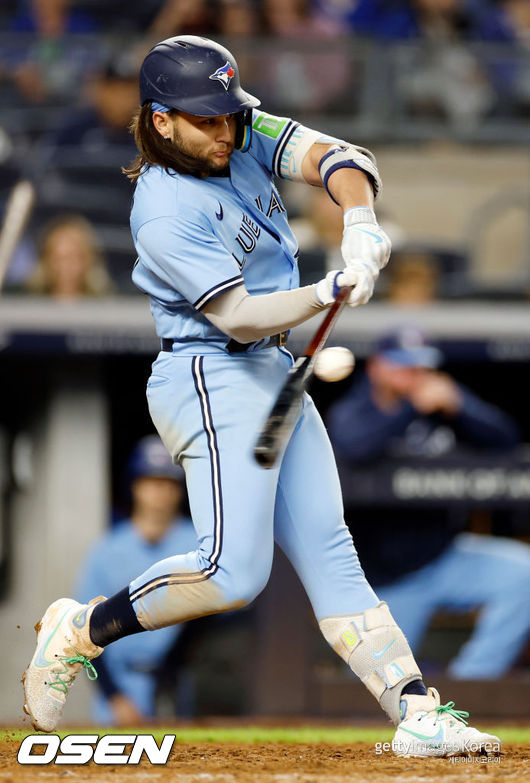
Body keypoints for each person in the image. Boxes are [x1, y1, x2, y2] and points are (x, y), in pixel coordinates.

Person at [23, 35, 499, 758]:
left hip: (270, 366)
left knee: (330, 546)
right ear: (160, 121)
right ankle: (84, 628)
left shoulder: (236, 129)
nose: (224, 131)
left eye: (227, 115)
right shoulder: (162, 209)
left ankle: (414, 709)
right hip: (209, 371)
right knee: (232, 572)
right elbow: (238, 314)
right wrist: (326, 290)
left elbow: (341, 159)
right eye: (205, 119)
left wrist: (361, 222)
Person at [327, 326, 530, 679]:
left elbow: (505, 439)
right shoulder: (355, 408)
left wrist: (460, 408)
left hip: (442, 557)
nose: (414, 374)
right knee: (369, 695)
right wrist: (408, 409)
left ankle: (472, 685)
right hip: (384, 583)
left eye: (419, 366)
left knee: (522, 574)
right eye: (403, 365)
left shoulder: (440, 403)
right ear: (376, 367)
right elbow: (354, 447)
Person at [75, 435, 198, 725]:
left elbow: (214, 618)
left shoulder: (197, 542)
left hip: (175, 680)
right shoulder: (107, 550)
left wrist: (174, 668)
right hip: (119, 685)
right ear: (136, 486)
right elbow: (82, 630)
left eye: (169, 482)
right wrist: (114, 696)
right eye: (152, 481)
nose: (161, 491)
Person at [25, 214, 114, 299]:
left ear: (88, 260)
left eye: (73, 258)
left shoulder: (105, 308)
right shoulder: (28, 307)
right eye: (59, 259)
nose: (66, 266)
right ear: (46, 261)